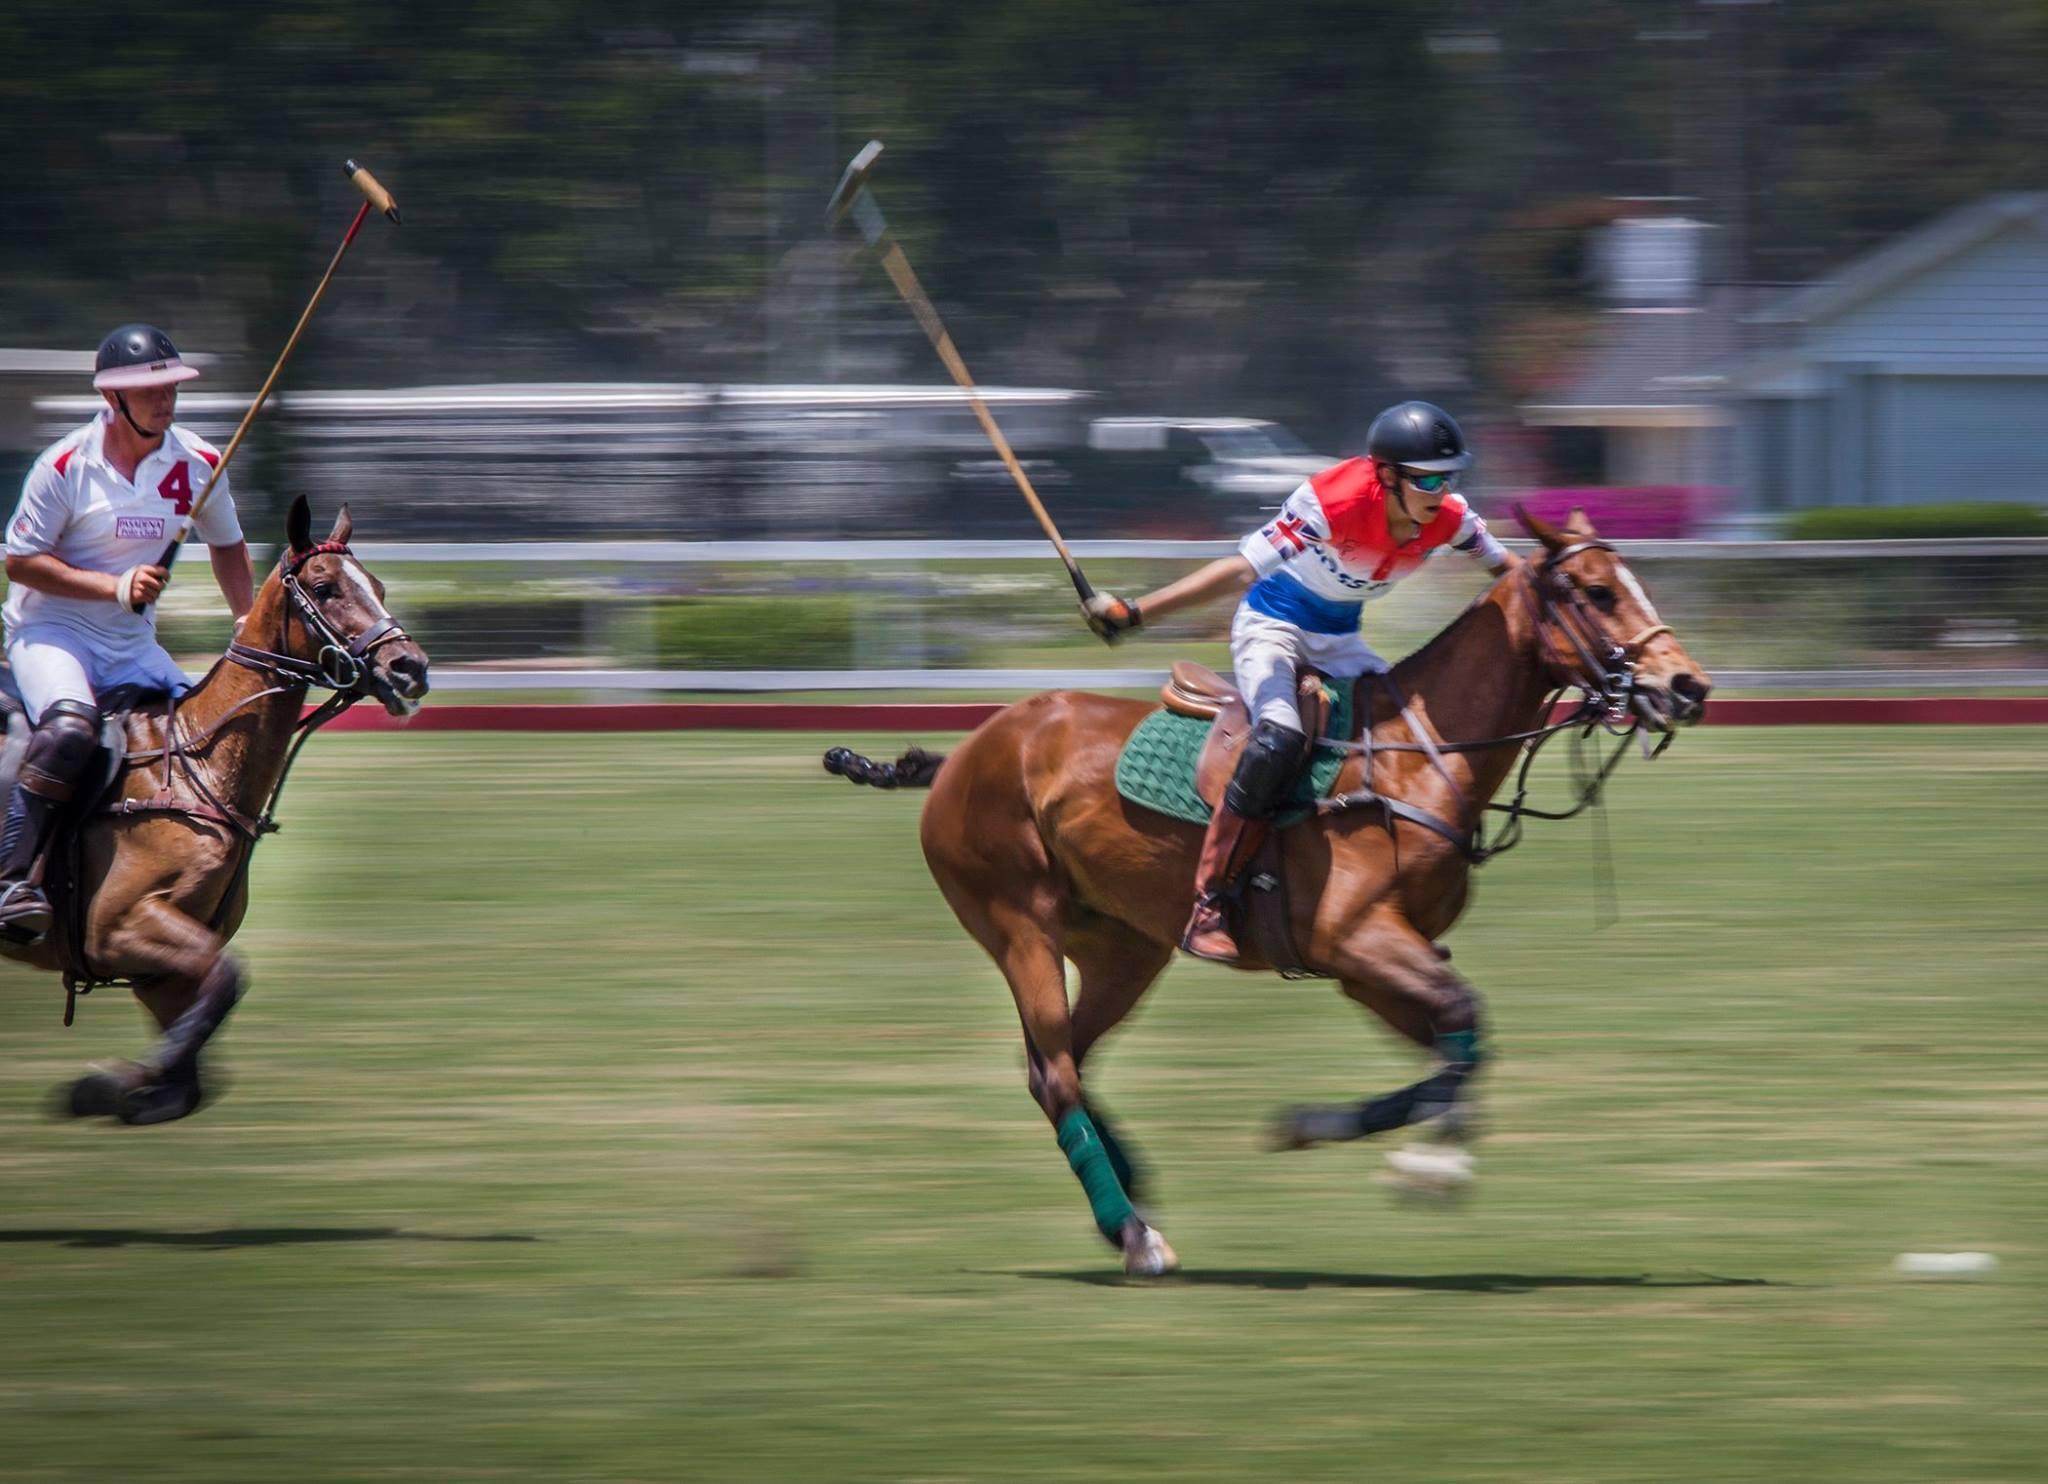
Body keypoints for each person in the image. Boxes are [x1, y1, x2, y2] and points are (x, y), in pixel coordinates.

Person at [1084, 400, 1518, 962]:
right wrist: (1138, 611)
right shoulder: (1331, 501)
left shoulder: (1450, 518)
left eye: (1449, 476)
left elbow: (1515, 574)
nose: (1441, 490)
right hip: (1274, 628)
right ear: (1386, 476)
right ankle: (1209, 899)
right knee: (1280, 736)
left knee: (1406, 739)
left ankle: (1386, 901)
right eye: (1428, 478)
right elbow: (1242, 569)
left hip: (1341, 642)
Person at [0, 324, 253, 942]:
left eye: (171, 387)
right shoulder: (64, 465)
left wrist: (244, 621)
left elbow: (229, 545)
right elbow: (19, 561)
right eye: (151, 390)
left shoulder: (198, 462)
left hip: (131, 645)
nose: (166, 400)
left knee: (208, 730)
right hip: (51, 632)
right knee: (68, 730)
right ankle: (12, 882)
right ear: (113, 399)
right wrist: (114, 587)